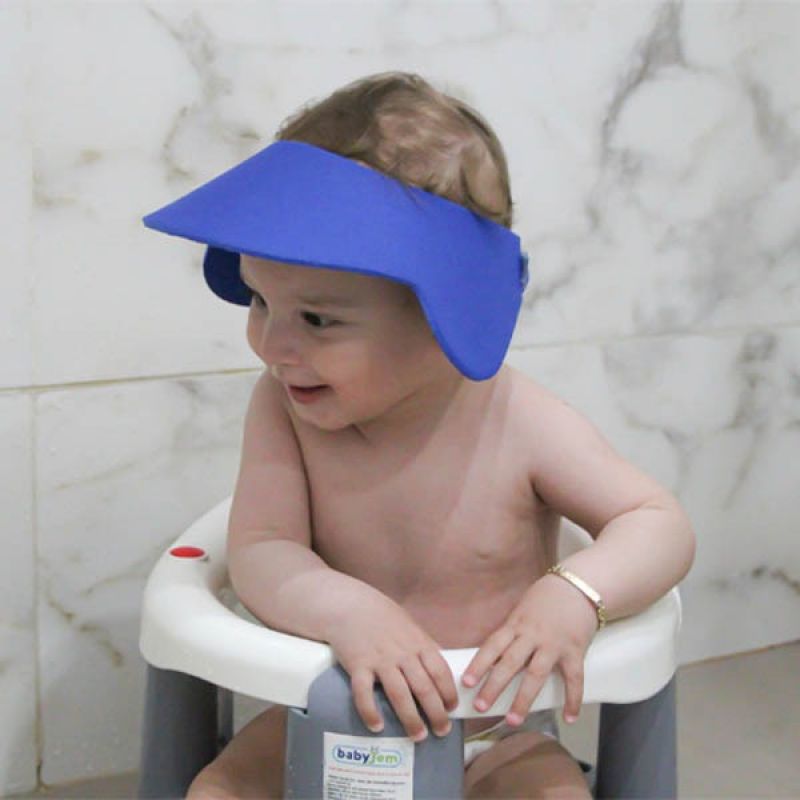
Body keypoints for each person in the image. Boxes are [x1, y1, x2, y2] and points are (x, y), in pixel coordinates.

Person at [143, 71, 696, 799]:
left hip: (494, 733)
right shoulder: (283, 411)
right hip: (328, 713)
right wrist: (347, 610)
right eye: (258, 300)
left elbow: (657, 522)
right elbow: (262, 548)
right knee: (218, 792)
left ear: (446, 316)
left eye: (317, 319)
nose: (273, 345)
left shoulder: (521, 422)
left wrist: (574, 595)